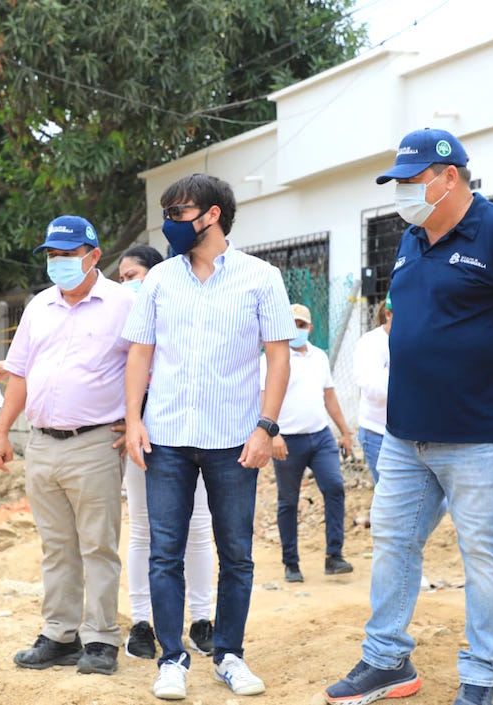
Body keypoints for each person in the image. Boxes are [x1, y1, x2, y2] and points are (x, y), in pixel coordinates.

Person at [322, 129, 493, 705]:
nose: (403, 192)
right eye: (398, 182)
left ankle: (482, 676)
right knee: (392, 541)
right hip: (407, 433)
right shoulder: (413, 238)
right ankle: (387, 660)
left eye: (412, 180)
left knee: (483, 551)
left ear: (449, 177)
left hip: (481, 434)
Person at [122, 173, 295, 700]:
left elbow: (279, 355)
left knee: (237, 553)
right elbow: (139, 353)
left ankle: (229, 655)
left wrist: (266, 427)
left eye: (179, 213)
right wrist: (134, 419)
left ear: (212, 214)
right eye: (168, 213)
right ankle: (172, 659)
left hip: (234, 440)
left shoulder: (261, 277)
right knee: (164, 553)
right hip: (168, 438)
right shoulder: (159, 281)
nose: (170, 224)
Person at [0, 215, 136, 677]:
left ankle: (100, 638)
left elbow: (144, 369)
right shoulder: (38, 306)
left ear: (93, 256)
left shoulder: (123, 303)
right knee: (56, 546)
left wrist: (135, 422)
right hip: (42, 445)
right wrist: (1, 431)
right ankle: (59, 634)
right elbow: (20, 374)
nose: (58, 263)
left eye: (67, 255)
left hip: (95, 443)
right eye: (52, 255)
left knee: (98, 545)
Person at [117, 245, 216, 659]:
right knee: (142, 529)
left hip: (193, 434)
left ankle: (202, 620)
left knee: (197, 528)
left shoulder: (187, 313)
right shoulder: (121, 320)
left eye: (133, 275)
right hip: (140, 435)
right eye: (121, 278)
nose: (127, 284)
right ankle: (142, 622)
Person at [262, 302, 354, 583]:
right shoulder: (272, 358)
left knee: (335, 487)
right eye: (292, 326)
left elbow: (329, 396)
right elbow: (262, 397)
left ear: (309, 328)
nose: (296, 331)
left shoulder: (320, 357)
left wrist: (345, 431)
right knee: (288, 501)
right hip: (287, 439)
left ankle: (334, 556)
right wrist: (272, 433)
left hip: (321, 435)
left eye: (301, 325)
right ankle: (291, 562)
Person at [352, 293, 392, 484]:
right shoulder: (370, 343)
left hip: (414, 434)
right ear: (389, 314)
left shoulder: (419, 339)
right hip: (378, 433)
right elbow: (375, 389)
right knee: (390, 497)